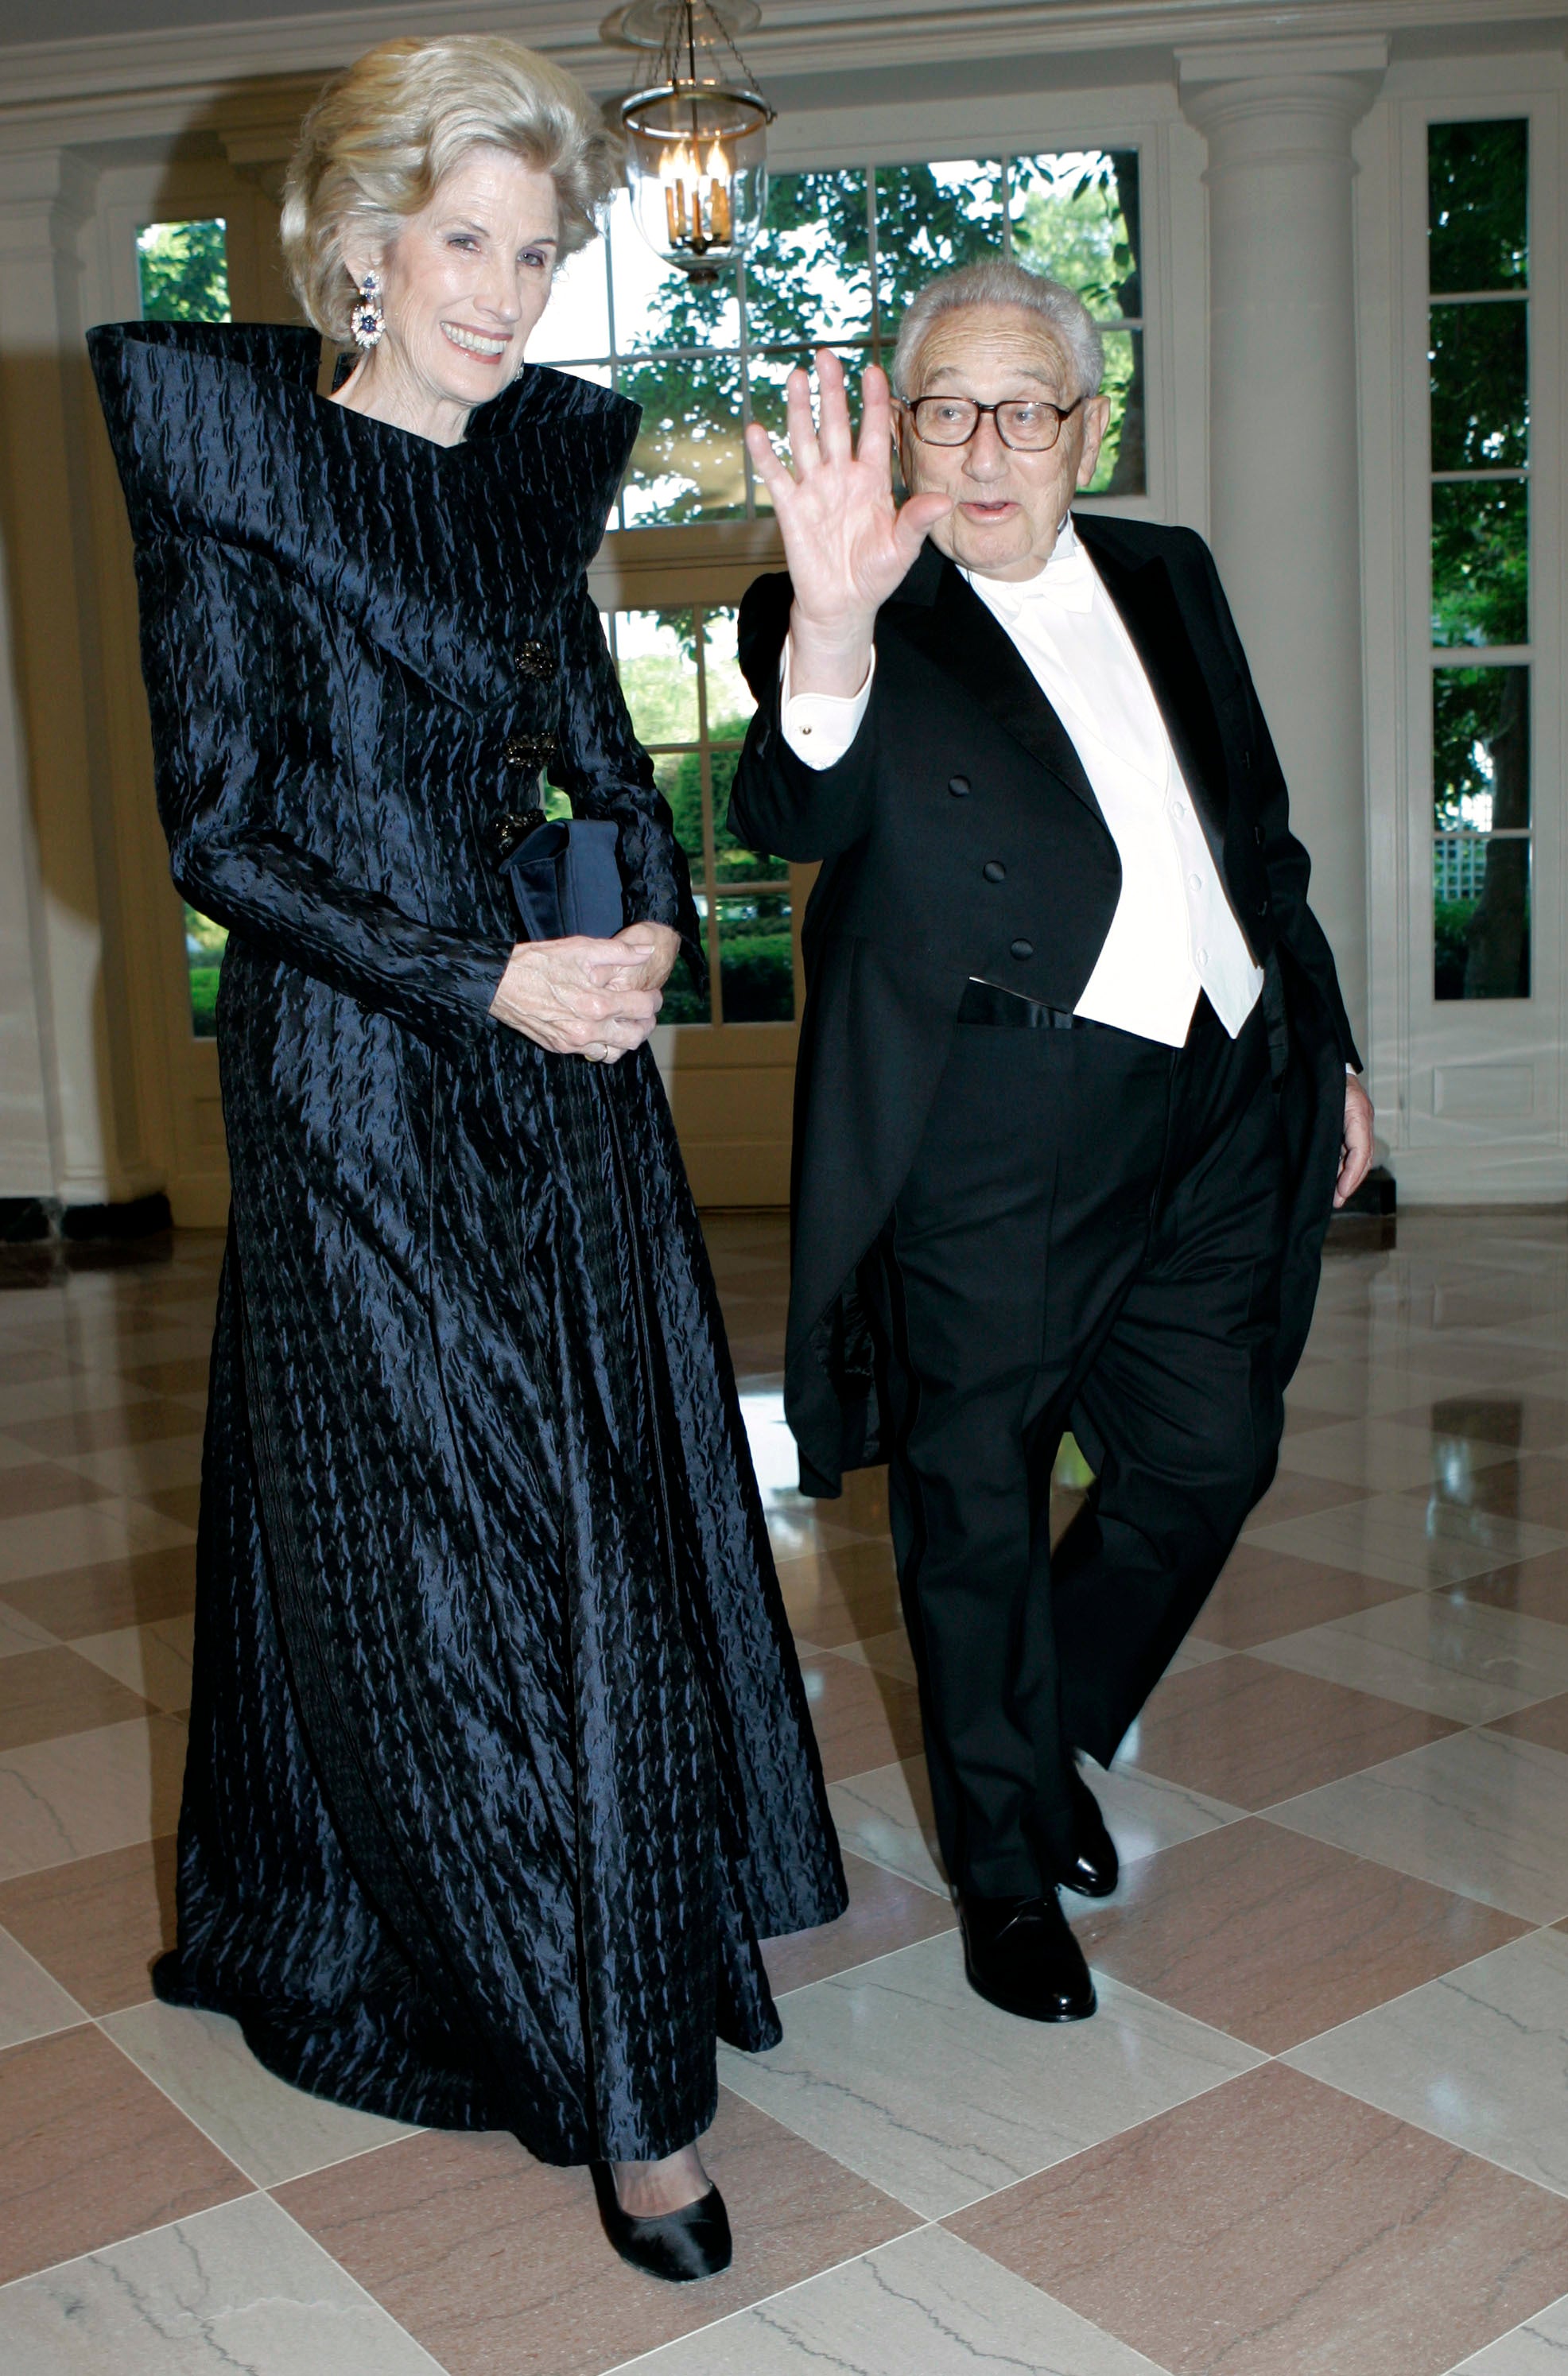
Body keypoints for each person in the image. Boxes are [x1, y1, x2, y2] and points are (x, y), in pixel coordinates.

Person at [89, 33, 844, 2283]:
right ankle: (617, 2098)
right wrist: (474, 975)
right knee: (453, 1547)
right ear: (357, 242)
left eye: (535, 248)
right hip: (356, 1080)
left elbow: (594, 748)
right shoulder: (229, 461)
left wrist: (630, 925)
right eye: (463, 243)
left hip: (555, 1048)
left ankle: (624, 1942)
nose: (503, 294)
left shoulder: (541, 472)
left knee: (595, 1509)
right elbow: (217, 821)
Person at [730, 258, 1373, 2027]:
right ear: (898, 421)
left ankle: (1045, 1734)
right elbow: (785, 798)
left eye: (1028, 407)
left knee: (1202, 1458)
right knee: (974, 1504)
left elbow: (1258, 843)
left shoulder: (1169, 572)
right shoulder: (839, 600)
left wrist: (1325, 1053)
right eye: (946, 406)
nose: (989, 445)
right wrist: (837, 626)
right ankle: (1002, 1866)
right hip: (999, 1122)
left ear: (1088, 427)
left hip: (1223, 1091)